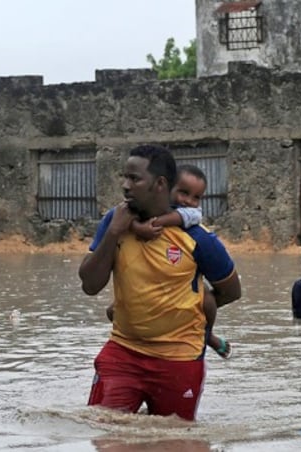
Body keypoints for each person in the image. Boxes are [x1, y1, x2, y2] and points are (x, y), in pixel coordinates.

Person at [79, 145, 242, 421]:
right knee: (103, 432)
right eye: (125, 177)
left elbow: (231, 290)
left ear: (160, 184)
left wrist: (188, 307)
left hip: (179, 359)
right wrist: (115, 232)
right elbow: (90, 285)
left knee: (174, 442)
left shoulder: (197, 237)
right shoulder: (115, 222)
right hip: (123, 352)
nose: (125, 185)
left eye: (134, 179)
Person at [105, 164, 231, 359]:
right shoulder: (141, 205)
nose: (188, 201)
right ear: (165, 187)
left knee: (206, 298)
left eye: (196, 197)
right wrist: (138, 228)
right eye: (183, 192)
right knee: (113, 311)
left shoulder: (192, 217)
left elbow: (180, 216)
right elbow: (122, 215)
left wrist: (154, 225)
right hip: (141, 289)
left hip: (177, 290)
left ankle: (208, 334)